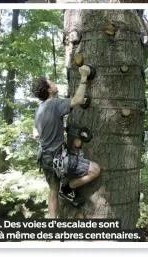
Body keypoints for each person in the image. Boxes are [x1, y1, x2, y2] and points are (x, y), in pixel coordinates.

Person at [32, 65, 100, 218]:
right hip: (56, 158)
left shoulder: (40, 109)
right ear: (49, 90)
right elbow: (77, 100)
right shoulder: (54, 104)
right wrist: (83, 77)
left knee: (52, 193)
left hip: (44, 158)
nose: (54, 83)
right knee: (95, 170)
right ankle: (68, 189)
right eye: (51, 82)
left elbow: (35, 133)